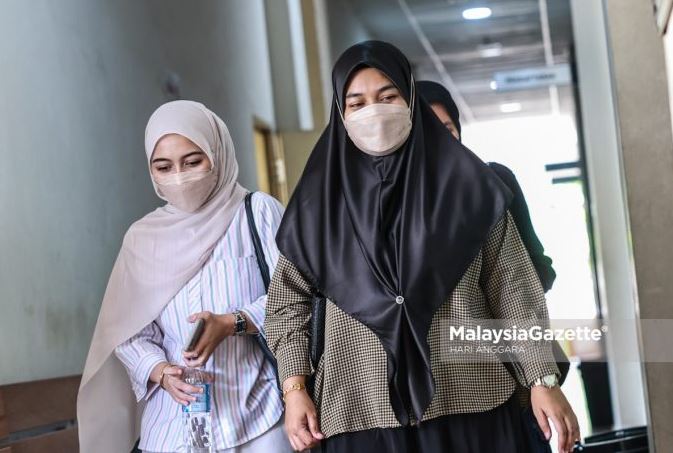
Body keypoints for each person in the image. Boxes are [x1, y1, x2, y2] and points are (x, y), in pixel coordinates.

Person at [264, 41, 579, 453]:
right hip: (358, 408)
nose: (374, 112)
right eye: (357, 103)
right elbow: (287, 304)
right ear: (341, 114)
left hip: (472, 399)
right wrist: (294, 388)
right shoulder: (316, 208)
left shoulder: (469, 189)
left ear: (411, 101)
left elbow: (512, 286)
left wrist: (542, 379)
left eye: (388, 97)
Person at [77, 100, 292, 453]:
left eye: (193, 162)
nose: (179, 176)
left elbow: (295, 298)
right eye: (164, 167)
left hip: (259, 420)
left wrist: (233, 322)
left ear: (216, 154)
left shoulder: (258, 214)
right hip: (173, 430)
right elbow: (127, 330)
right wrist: (160, 371)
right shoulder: (143, 239)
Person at [417, 80, 556, 291]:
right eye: (428, 132)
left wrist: (511, 298)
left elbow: (539, 265)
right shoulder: (399, 202)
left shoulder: (496, 181)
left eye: (447, 130)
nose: (441, 142)